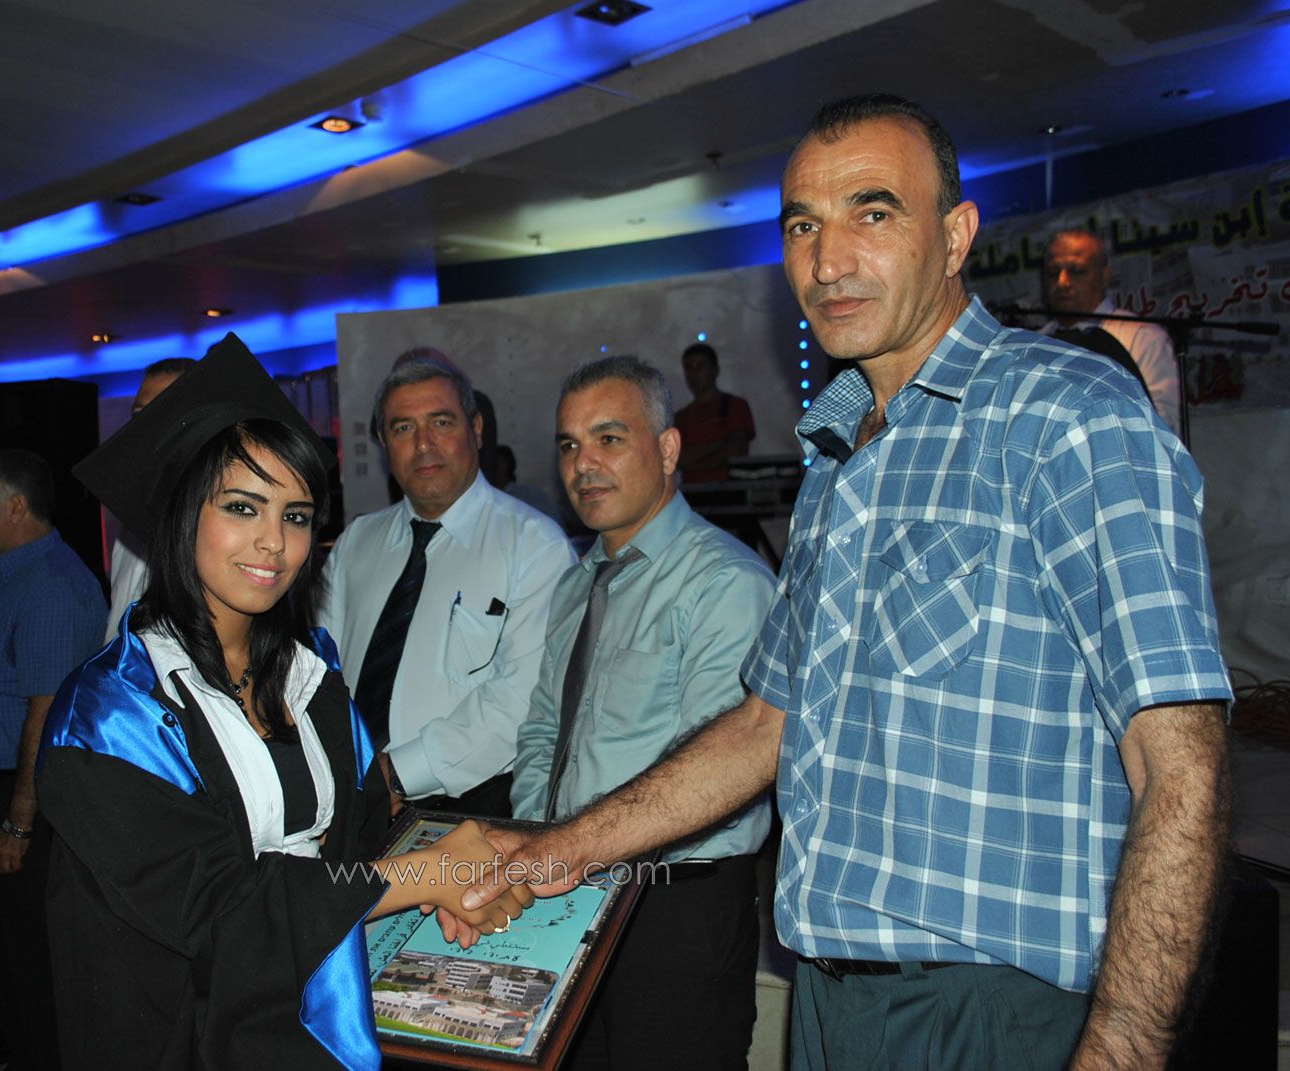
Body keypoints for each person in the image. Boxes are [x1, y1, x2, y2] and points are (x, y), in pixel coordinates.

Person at [464, 94, 1232, 1071]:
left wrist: (1123, 1046)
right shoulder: (837, 461)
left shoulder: (1067, 417)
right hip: (829, 1000)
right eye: (802, 226)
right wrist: (553, 853)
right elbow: (764, 727)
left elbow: (1182, 766)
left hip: (993, 1008)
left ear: (954, 236)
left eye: (873, 212)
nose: (828, 261)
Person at [37, 335, 533, 1071]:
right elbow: (217, 908)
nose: (274, 542)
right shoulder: (109, 715)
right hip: (185, 1034)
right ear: (179, 513)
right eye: (243, 507)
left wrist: (443, 888)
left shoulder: (312, 676)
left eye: (296, 515)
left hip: (317, 1018)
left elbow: (363, 836)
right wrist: (424, 876)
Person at [512, 355, 778, 1070]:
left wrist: (574, 848)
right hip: (563, 890)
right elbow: (542, 730)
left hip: (673, 906)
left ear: (667, 448)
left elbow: (728, 770)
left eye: (609, 438)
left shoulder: (725, 582)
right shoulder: (577, 583)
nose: (583, 464)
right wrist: (540, 842)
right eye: (569, 444)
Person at [323, 352, 574, 819]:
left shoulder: (535, 546)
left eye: (441, 422)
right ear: (383, 441)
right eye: (403, 428)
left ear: (476, 429)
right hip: (351, 799)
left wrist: (394, 774)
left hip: (474, 810)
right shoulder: (355, 544)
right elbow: (320, 673)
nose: (423, 444)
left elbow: (522, 700)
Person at [0, 449, 106, 1071]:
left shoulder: (53, 587)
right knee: (3, 951)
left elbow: (46, 713)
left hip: (30, 800)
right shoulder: (12, 572)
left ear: (16, 507)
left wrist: (18, 821)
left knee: (35, 966)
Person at [1041, 228, 1182, 433]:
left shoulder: (1142, 336)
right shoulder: (1035, 342)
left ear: (1105, 276)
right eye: (1053, 273)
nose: (1062, 282)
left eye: (1076, 270)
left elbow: (1164, 423)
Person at [104, 357, 196, 643]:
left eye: (161, 412)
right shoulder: (130, 519)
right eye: (139, 414)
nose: (145, 425)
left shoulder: (215, 517)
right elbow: (119, 622)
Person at [672, 342, 756, 483]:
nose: (694, 374)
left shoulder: (735, 406)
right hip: (693, 494)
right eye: (689, 368)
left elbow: (735, 452)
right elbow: (676, 459)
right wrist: (716, 445)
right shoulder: (681, 417)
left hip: (731, 492)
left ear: (715, 370)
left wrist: (692, 461)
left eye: (700, 366)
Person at [487, 444, 562, 521]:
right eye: (491, 462)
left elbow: (552, 518)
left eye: (498, 461)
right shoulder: (488, 496)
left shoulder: (527, 494)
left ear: (507, 464)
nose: (493, 466)